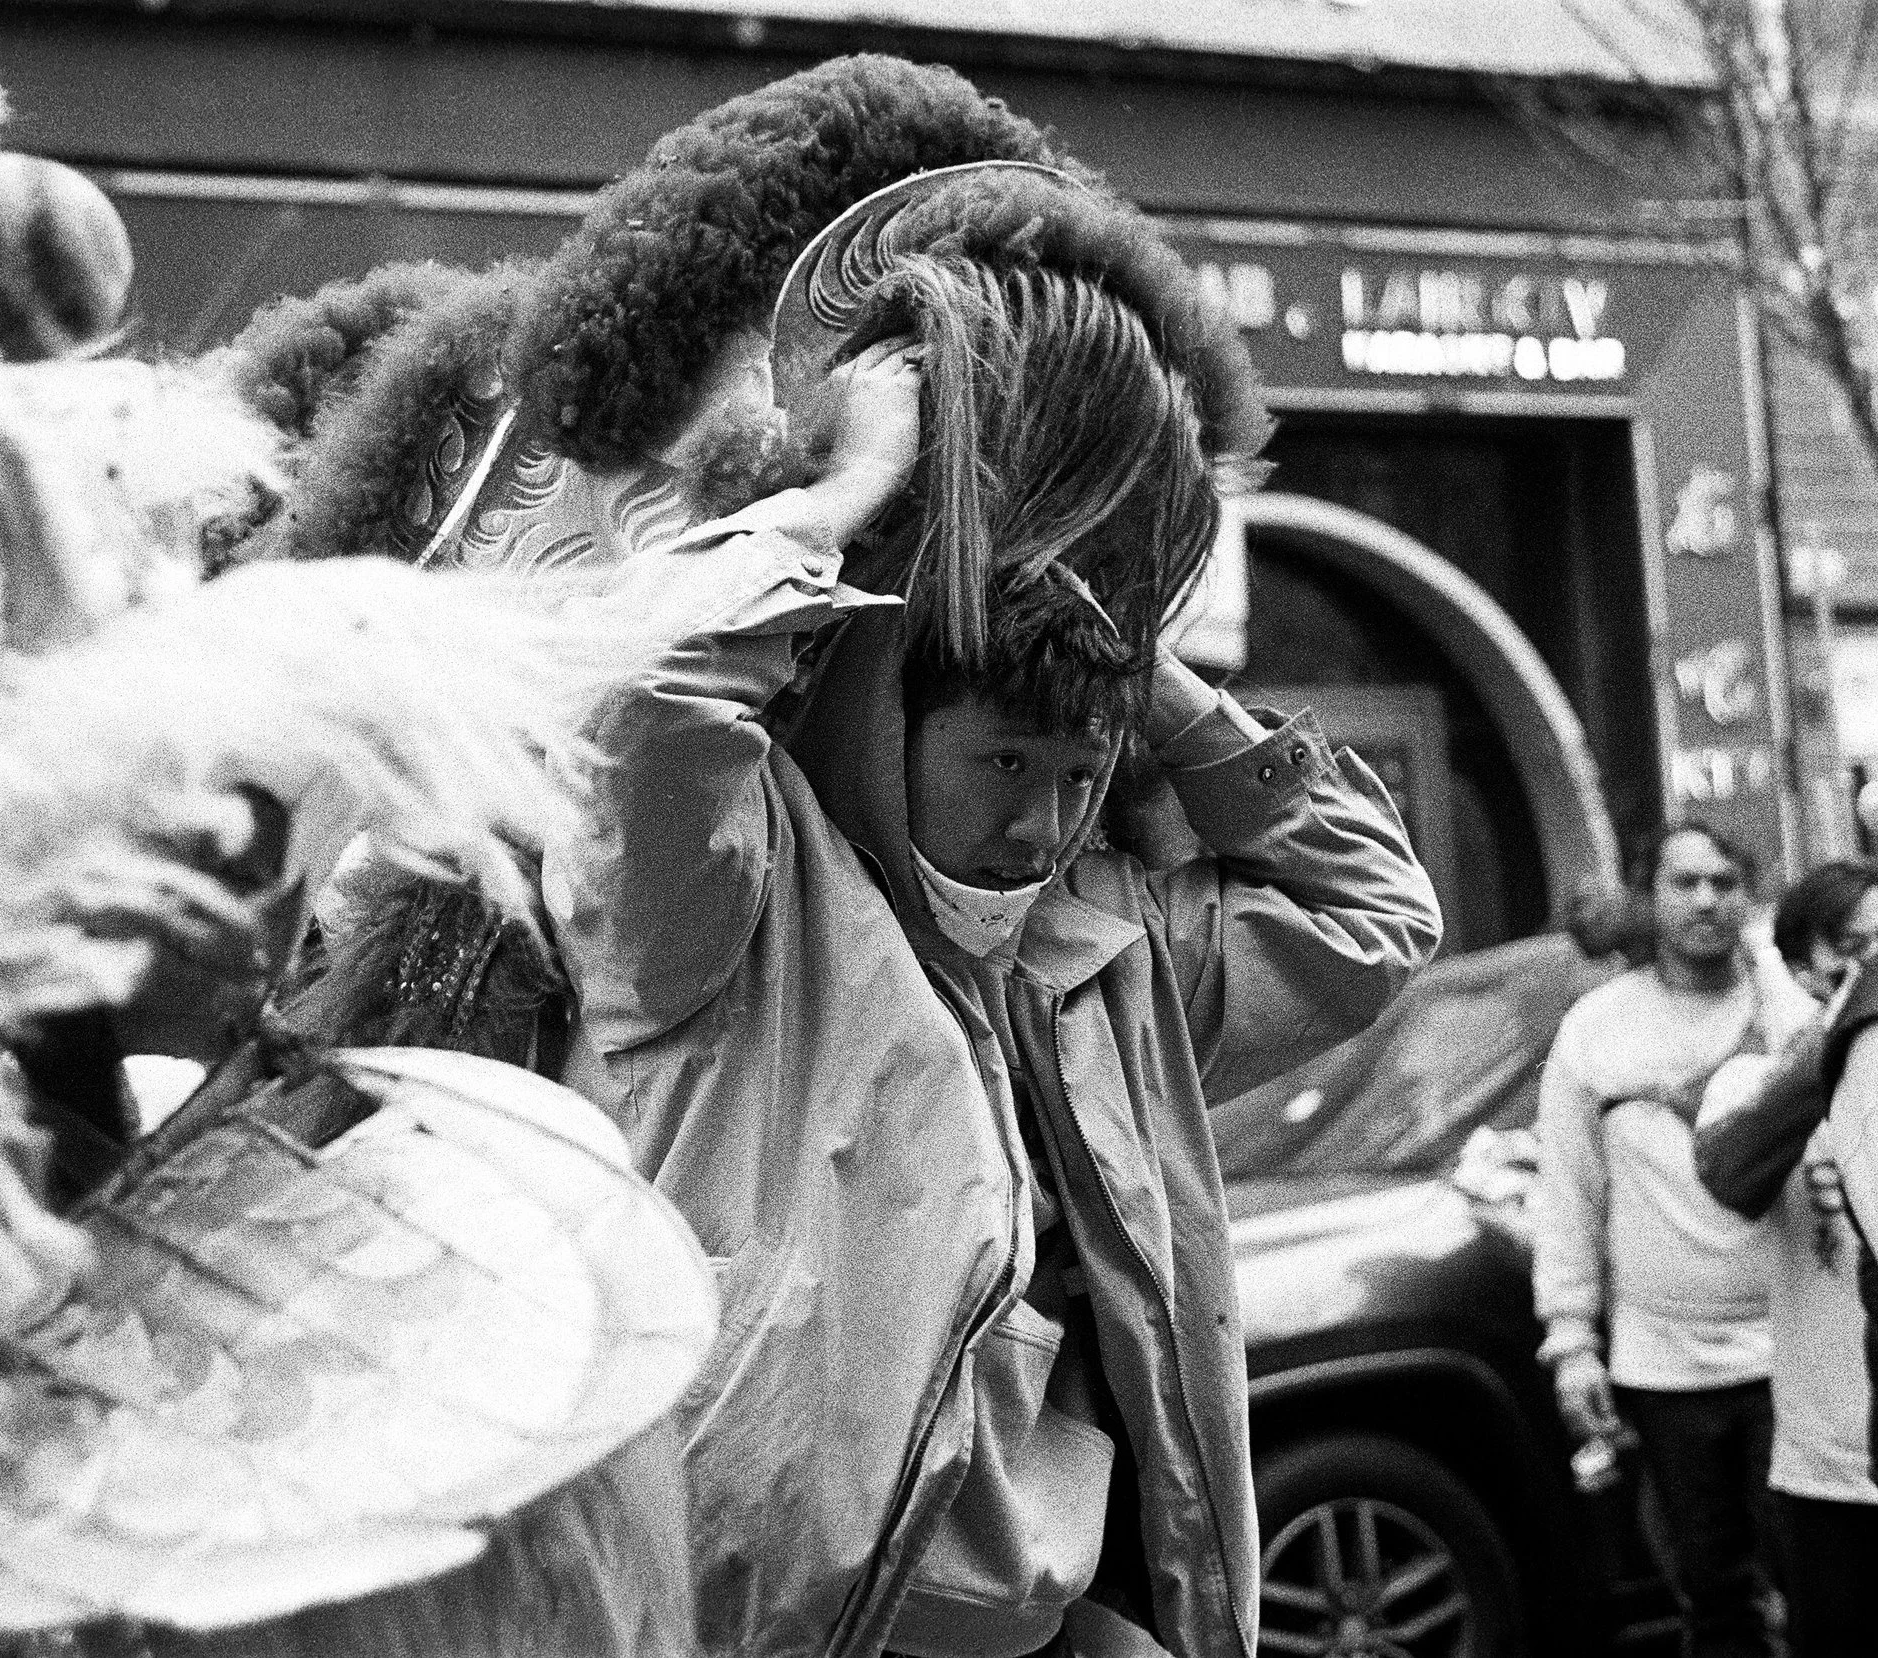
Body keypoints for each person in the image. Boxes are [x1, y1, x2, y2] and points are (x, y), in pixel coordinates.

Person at [525, 176, 1443, 1658]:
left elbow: (1378, 917)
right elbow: (653, 687)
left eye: (1081, 777)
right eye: (1003, 761)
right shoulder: (714, 913)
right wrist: (845, 498)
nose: (1042, 819)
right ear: (890, 723)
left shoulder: (1108, 959)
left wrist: (1135, 672)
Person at [1534, 824, 1817, 1658]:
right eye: (1684, 882)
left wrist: (1774, 980)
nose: (1705, 901)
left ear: (1749, 894)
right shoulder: (1596, 1030)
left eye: (1725, 882)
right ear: (1647, 896)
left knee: (1822, 1595)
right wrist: (1572, 1341)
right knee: (1711, 1595)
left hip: (1792, 1356)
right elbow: (1568, 1194)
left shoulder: (1793, 1011)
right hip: (1665, 1367)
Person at [1691, 859, 1878, 1658]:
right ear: (1804, 967)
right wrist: (1841, 1032)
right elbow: (1730, 1173)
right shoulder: (1752, 1080)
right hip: (1828, 1467)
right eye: (1861, 949)